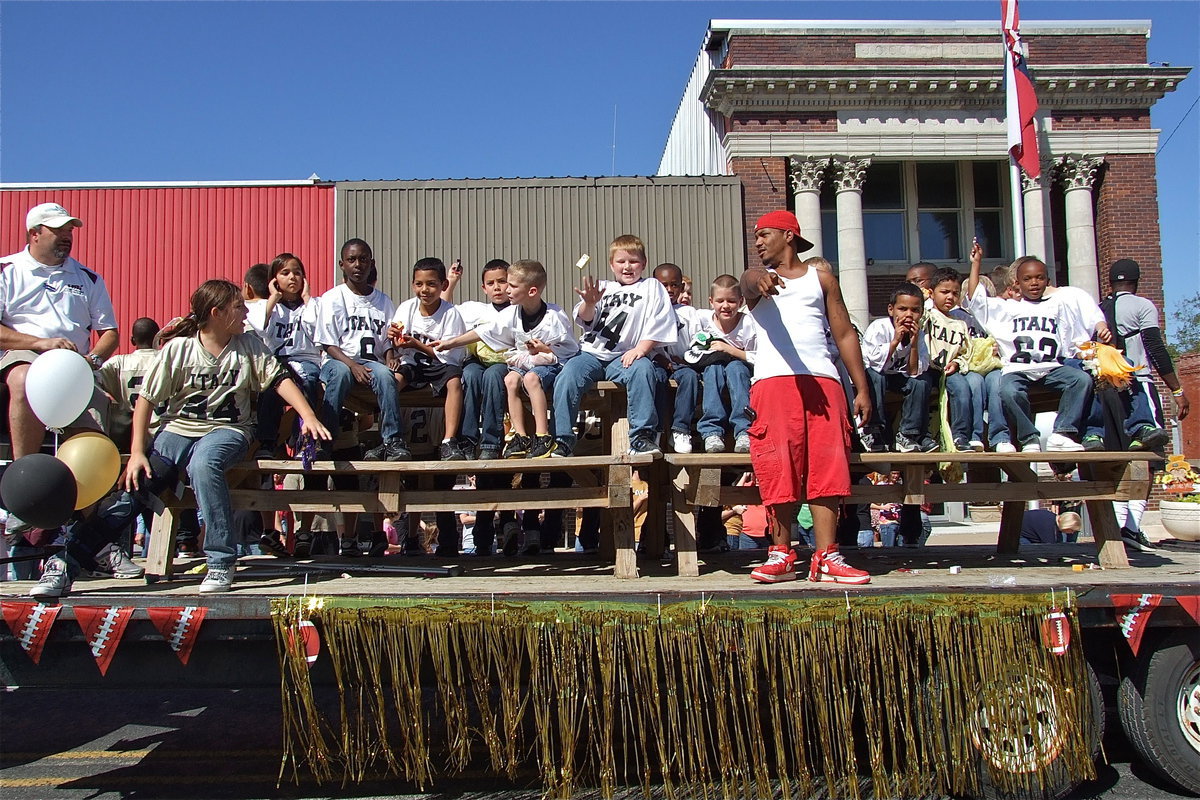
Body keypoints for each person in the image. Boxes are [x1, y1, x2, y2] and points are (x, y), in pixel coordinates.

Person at [31, 280, 332, 598]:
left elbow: (280, 378)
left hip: (228, 431)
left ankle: (220, 560)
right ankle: (66, 563)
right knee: (140, 484)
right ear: (217, 314)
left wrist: (308, 416)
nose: (246, 311)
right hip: (177, 430)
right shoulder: (179, 350)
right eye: (238, 307)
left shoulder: (249, 346)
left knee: (205, 464)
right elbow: (146, 399)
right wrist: (137, 452)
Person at [741, 210, 872, 585]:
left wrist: (861, 387)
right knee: (778, 462)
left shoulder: (822, 279)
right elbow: (748, 282)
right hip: (773, 382)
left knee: (827, 466)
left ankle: (827, 556)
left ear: (789, 234)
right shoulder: (759, 280)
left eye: (765, 234)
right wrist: (757, 279)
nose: (759, 241)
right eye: (756, 237)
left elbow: (845, 333)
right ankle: (781, 553)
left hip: (823, 382)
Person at [0, 203, 119, 460]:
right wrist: (41, 343)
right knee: (24, 379)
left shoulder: (89, 278)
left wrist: (93, 360)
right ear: (34, 233)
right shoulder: (6, 271)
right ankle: (24, 472)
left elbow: (109, 332)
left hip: (74, 365)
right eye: (58, 230)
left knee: (98, 410)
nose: (66, 236)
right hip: (24, 355)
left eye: (69, 231)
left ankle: (85, 497)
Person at [436, 259, 577, 458]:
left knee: (525, 379)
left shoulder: (555, 316)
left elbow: (569, 350)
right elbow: (484, 331)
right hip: (522, 365)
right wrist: (450, 343)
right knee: (508, 379)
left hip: (549, 366)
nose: (506, 290)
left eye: (511, 285)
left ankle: (542, 436)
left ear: (532, 291)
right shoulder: (512, 312)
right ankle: (520, 437)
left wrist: (544, 349)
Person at [551, 234, 676, 457]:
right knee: (568, 375)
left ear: (644, 264)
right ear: (611, 264)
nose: (627, 267)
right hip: (591, 353)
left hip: (624, 355)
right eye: (621, 261)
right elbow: (586, 319)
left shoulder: (651, 287)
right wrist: (589, 303)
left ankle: (640, 437)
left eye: (634, 261)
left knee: (643, 369)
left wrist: (641, 349)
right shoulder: (604, 288)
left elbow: (661, 321)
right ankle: (563, 439)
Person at [966, 246, 1099, 453]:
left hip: (1051, 366)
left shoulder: (1057, 305)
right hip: (1018, 369)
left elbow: (1067, 338)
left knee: (1081, 379)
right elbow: (977, 300)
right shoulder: (1007, 307)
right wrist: (976, 264)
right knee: (1008, 390)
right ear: (1017, 283)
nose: (1034, 283)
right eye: (1027, 279)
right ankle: (1029, 438)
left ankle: (1062, 433)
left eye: (1039, 278)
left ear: (1047, 280)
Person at [314, 239, 409, 461]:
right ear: (342, 264)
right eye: (352, 259)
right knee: (339, 374)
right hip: (339, 361)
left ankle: (392, 441)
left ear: (371, 263)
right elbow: (327, 343)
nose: (358, 264)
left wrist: (390, 357)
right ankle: (325, 441)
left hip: (371, 364)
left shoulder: (383, 301)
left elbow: (387, 339)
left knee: (387, 375)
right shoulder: (332, 298)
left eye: (363, 259)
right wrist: (352, 365)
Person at [387, 257, 469, 460]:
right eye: (419, 284)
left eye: (431, 284)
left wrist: (417, 345)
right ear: (412, 285)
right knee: (391, 383)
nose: (425, 289)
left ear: (444, 285)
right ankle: (390, 439)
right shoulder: (406, 308)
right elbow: (396, 342)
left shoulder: (451, 314)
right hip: (412, 362)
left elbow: (450, 358)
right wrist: (394, 341)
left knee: (454, 381)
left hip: (438, 364)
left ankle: (449, 440)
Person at [247, 253, 320, 456]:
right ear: (274, 279)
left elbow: (316, 330)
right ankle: (267, 443)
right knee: (270, 389)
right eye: (285, 273)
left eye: (297, 273)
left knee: (308, 381)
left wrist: (307, 299)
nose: (292, 278)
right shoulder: (266, 305)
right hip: (278, 361)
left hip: (306, 359)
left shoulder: (314, 304)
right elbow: (261, 328)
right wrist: (273, 298)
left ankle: (304, 439)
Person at [445, 259, 512, 460]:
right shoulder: (473, 309)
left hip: (504, 363)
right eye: (491, 284)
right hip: (477, 360)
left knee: (492, 378)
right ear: (484, 288)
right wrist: (452, 280)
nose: (497, 287)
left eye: (502, 281)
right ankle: (467, 441)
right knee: (469, 376)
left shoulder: (517, 310)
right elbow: (444, 309)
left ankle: (491, 443)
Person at [860, 283, 937, 453]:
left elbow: (914, 372)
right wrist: (895, 341)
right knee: (875, 376)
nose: (908, 315)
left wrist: (914, 344)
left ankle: (908, 434)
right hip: (876, 377)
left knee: (922, 381)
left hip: (898, 377)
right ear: (891, 309)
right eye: (902, 309)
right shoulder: (879, 328)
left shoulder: (920, 335)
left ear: (921, 313)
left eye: (915, 310)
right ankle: (873, 429)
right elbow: (874, 363)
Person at [923, 267, 987, 451]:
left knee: (962, 388)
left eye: (955, 293)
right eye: (944, 292)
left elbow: (966, 351)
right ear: (932, 293)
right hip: (928, 368)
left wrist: (957, 363)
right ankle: (922, 435)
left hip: (948, 370)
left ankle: (961, 435)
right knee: (922, 388)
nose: (950, 297)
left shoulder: (961, 324)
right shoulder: (927, 316)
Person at [695, 274, 757, 454]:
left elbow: (755, 356)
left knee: (735, 368)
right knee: (713, 369)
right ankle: (712, 431)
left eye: (731, 301)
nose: (725, 306)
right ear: (711, 301)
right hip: (712, 368)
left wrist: (729, 350)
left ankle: (744, 429)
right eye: (720, 301)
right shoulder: (702, 321)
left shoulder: (747, 324)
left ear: (740, 301)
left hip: (741, 370)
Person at [651, 263, 704, 454]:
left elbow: (698, 340)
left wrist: (690, 358)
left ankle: (681, 430)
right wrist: (662, 359)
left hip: (682, 364)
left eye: (674, 285)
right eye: (664, 285)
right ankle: (655, 431)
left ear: (681, 287)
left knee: (690, 377)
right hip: (657, 361)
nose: (669, 290)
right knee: (655, 379)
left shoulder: (689, 313)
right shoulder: (650, 311)